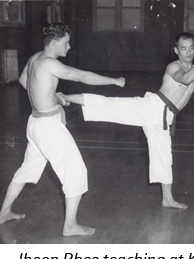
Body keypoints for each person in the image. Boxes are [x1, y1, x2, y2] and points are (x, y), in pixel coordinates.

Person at [61, 33, 194, 209]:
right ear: (176, 50)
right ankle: (63, 97)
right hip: (153, 107)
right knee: (111, 105)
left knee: (164, 156)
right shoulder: (174, 66)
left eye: (191, 48)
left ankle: (167, 199)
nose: (188, 52)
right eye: (183, 48)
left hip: (165, 117)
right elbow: (187, 78)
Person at [0, 22, 125, 236]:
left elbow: (24, 81)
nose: (68, 47)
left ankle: (3, 213)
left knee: (26, 170)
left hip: (36, 123)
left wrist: (49, 96)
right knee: (76, 172)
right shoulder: (49, 64)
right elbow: (82, 76)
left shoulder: (34, 58)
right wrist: (114, 80)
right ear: (56, 42)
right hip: (49, 128)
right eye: (66, 43)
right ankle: (70, 226)